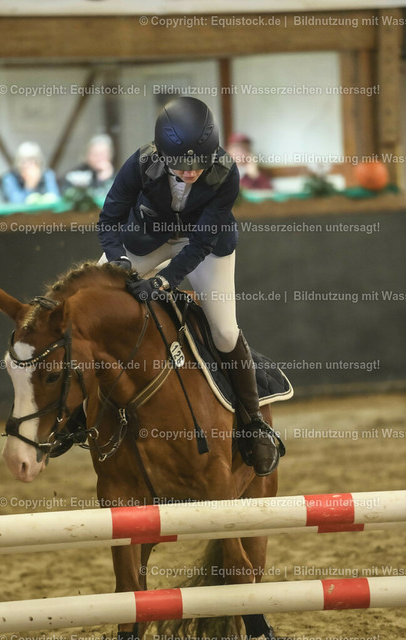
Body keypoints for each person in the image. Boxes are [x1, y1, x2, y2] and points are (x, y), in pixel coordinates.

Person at [97, 97, 282, 476]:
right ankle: (70, 412)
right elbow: (109, 219)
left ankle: (253, 424)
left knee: (225, 333)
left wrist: (166, 280)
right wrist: (118, 263)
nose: (192, 171)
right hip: (147, 240)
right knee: (94, 297)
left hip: (204, 245)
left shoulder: (226, 172)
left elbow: (199, 244)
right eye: (182, 165)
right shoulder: (141, 163)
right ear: (163, 155)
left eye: (199, 163)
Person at [64, 134, 116, 199]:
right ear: (87, 155)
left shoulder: (117, 176)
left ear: (110, 155)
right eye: (95, 154)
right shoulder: (76, 175)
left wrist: (106, 178)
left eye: (102, 154)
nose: (99, 158)